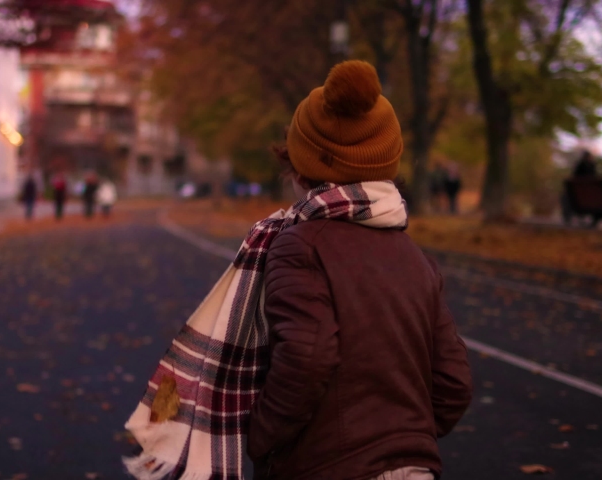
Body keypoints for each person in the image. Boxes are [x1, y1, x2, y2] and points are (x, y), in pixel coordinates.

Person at [123, 61, 472, 480]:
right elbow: (453, 382)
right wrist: (403, 439)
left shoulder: (299, 245)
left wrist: (261, 437)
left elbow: (307, 357)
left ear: (301, 164)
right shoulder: (414, 257)